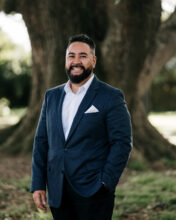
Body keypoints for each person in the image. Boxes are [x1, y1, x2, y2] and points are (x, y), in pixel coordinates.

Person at [31, 34, 132, 220]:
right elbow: (41, 142)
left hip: (94, 191)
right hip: (57, 191)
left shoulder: (110, 96)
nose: (76, 61)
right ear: (65, 60)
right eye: (71, 56)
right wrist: (38, 184)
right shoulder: (51, 96)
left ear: (93, 61)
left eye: (83, 56)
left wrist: (106, 182)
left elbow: (122, 143)